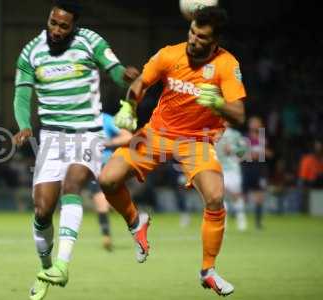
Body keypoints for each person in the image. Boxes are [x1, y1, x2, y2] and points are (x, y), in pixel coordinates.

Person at [99, 6, 246, 297]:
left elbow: (239, 115)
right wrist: (130, 106)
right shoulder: (169, 54)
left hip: (198, 142)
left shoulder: (227, 65)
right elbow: (140, 82)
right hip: (157, 134)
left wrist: (218, 103)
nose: (193, 40)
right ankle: (135, 221)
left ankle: (208, 271)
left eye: (202, 37)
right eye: (192, 32)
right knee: (107, 179)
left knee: (215, 197)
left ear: (214, 42)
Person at [12, 1, 139, 299]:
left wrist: (126, 76)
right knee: (42, 210)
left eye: (63, 26)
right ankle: (46, 269)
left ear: (74, 26)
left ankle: (62, 265)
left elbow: (115, 70)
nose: (56, 30)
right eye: (52, 23)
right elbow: (21, 93)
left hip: (88, 134)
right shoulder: (31, 51)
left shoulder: (90, 41)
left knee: (73, 183)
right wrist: (24, 125)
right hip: (52, 139)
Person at [89, 112, 134, 251]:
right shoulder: (78, 119)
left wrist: (107, 143)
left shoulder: (106, 119)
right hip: (90, 168)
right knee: (100, 201)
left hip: (107, 167)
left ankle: (137, 223)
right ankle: (106, 237)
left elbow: (128, 136)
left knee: (110, 203)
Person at [242, 116, 273, 229]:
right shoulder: (244, 137)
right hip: (247, 168)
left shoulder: (263, 137)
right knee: (243, 196)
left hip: (260, 169)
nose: (255, 125)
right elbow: (240, 154)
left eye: (257, 122)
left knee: (259, 196)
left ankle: (258, 223)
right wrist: (249, 155)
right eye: (253, 122)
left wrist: (262, 152)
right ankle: (241, 219)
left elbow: (270, 154)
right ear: (249, 125)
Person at [216, 122, 248, 231]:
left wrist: (233, 150)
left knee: (236, 195)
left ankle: (241, 218)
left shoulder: (236, 134)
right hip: (218, 168)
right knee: (220, 196)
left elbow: (244, 150)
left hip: (232, 169)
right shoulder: (213, 133)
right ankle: (223, 223)